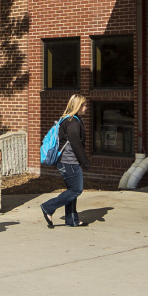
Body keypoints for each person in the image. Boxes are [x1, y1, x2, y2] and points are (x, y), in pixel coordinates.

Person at [39, 94, 89, 229]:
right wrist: (85, 162)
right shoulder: (73, 122)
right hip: (69, 161)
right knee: (76, 189)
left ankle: (72, 219)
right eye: (84, 105)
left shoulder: (69, 120)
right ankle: (48, 207)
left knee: (71, 189)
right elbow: (75, 143)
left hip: (66, 161)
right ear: (78, 106)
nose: (86, 107)